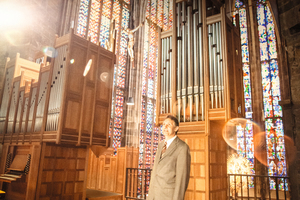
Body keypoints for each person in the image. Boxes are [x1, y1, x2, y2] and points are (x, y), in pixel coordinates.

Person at [147, 115, 191, 200]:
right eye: (164, 124)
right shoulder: (160, 145)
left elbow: (182, 179)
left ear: (176, 128)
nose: (165, 127)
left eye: (169, 125)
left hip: (168, 196)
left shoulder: (182, 147)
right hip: (154, 194)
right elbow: (155, 171)